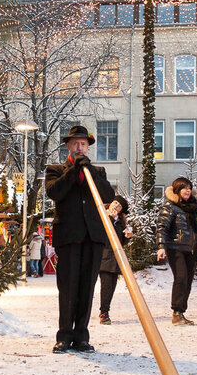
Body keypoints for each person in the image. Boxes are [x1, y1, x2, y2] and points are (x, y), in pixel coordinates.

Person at [45, 125, 115, 354]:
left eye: (83, 144)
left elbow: (107, 195)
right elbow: (55, 192)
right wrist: (74, 171)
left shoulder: (98, 171)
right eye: (75, 143)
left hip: (92, 238)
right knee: (67, 288)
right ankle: (64, 336)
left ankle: (81, 336)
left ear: (88, 147)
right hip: (68, 237)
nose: (79, 147)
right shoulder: (56, 170)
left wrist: (90, 172)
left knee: (87, 288)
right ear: (68, 146)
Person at [156, 177, 197, 326]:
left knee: (188, 280)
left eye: (189, 188)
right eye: (184, 188)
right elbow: (162, 227)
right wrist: (161, 246)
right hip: (175, 248)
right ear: (177, 190)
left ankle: (181, 312)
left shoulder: (195, 207)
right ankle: (176, 312)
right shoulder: (170, 207)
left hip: (192, 249)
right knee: (181, 277)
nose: (187, 191)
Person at [98, 195, 132, 325]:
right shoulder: (103, 216)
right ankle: (104, 312)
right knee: (106, 286)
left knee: (111, 287)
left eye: (119, 206)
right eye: (115, 203)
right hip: (104, 257)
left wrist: (127, 237)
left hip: (116, 259)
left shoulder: (120, 222)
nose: (116, 206)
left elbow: (120, 242)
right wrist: (110, 219)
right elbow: (103, 233)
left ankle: (105, 310)